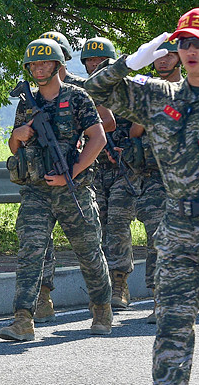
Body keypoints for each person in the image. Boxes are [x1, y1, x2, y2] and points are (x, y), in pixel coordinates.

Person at [85, 8, 199, 384]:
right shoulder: (158, 96)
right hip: (177, 236)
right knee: (171, 332)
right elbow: (91, 91)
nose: (190, 51)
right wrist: (128, 63)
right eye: (184, 43)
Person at [0, 38, 112, 341]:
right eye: (34, 64)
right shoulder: (27, 102)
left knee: (88, 251)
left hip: (71, 188)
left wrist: (72, 174)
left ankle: (102, 308)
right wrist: (18, 134)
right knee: (30, 251)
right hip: (36, 190)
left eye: (45, 63)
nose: (38, 69)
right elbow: (14, 146)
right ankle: (23, 319)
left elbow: (97, 138)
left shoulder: (77, 97)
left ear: (58, 66)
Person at [32, 31, 115, 322]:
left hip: (77, 174)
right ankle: (42, 297)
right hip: (42, 178)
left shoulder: (81, 89)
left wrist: (75, 144)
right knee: (38, 244)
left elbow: (106, 124)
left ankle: (102, 305)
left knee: (87, 245)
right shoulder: (33, 95)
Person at [81, 37, 138, 310]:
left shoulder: (125, 90)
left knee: (117, 223)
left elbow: (140, 121)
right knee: (97, 225)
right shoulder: (81, 92)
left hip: (124, 168)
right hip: (94, 169)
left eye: (99, 61)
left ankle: (119, 283)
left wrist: (124, 147)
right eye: (90, 61)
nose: (94, 65)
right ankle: (101, 288)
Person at [126, 37, 179, 323]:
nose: (163, 61)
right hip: (155, 178)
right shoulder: (151, 90)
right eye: (158, 56)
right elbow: (135, 131)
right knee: (157, 238)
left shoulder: (189, 89)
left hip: (189, 179)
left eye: (169, 56)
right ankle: (160, 300)